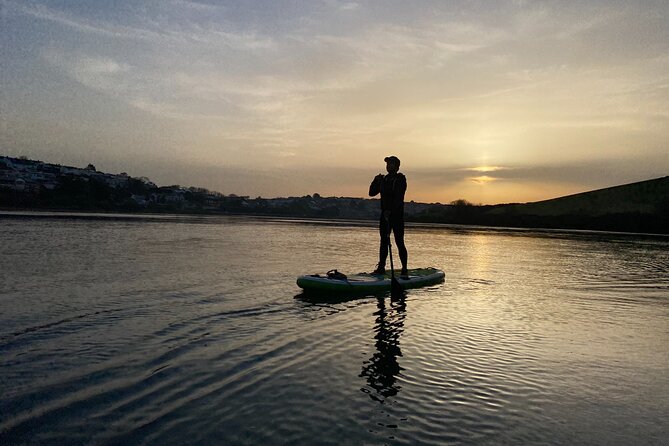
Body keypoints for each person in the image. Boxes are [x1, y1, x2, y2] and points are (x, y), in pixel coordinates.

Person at [369, 155, 408, 279]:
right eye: (387, 164)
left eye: (391, 164)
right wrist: (376, 181)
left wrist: (390, 211)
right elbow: (371, 193)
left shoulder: (400, 180)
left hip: (396, 215)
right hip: (384, 215)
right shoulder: (383, 180)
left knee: (399, 241)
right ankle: (381, 267)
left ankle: (404, 269)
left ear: (396, 167)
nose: (388, 166)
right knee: (384, 242)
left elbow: (397, 197)